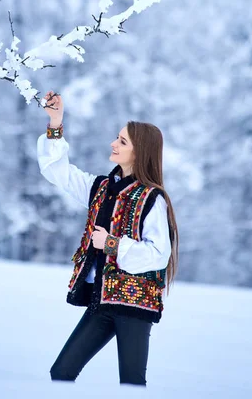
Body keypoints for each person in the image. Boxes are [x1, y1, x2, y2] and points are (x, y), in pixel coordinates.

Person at [37, 90, 178, 386]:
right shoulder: (100, 187)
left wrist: (112, 244)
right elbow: (57, 172)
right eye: (117, 137)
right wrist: (56, 123)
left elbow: (158, 254)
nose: (113, 144)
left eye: (122, 141)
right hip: (101, 303)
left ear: (139, 152)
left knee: (131, 384)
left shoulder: (153, 199)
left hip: (134, 306)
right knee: (61, 373)